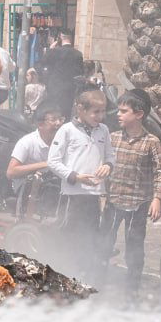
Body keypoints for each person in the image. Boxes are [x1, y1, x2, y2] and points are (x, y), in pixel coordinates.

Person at [97, 90, 161, 295]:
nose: (118, 114)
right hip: (113, 201)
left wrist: (157, 198)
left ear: (139, 114)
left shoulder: (151, 142)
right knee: (104, 242)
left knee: (134, 248)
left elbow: (159, 173)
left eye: (123, 111)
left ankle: (131, 290)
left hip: (137, 204)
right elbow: (102, 164)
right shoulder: (113, 138)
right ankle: (98, 282)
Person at [47, 88, 115, 285]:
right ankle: (63, 275)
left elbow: (110, 156)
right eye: (95, 112)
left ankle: (84, 277)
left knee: (90, 236)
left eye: (102, 112)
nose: (100, 116)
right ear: (81, 110)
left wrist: (107, 166)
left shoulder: (103, 130)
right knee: (69, 235)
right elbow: (53, 161)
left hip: (94, 195)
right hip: (72, 194)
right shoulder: (67, 130)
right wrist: (75, 177)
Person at [6, 106, 65, 200]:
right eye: (53, 120)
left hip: (55, 187)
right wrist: (45, 164)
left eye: (61, 119)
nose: (58, 123)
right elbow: (11, 172)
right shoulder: (27, 142)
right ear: (40, 124)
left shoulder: (64, 142)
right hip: (28, 190)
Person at [39, 30, 85, 116]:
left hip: (54, 88)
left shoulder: (54, 51)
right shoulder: (78, 54)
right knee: (66, 113)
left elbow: (43, 63)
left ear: (60, 38)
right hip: (70, 89)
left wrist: (50, 49)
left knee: (53, 112)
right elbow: (81, 72)